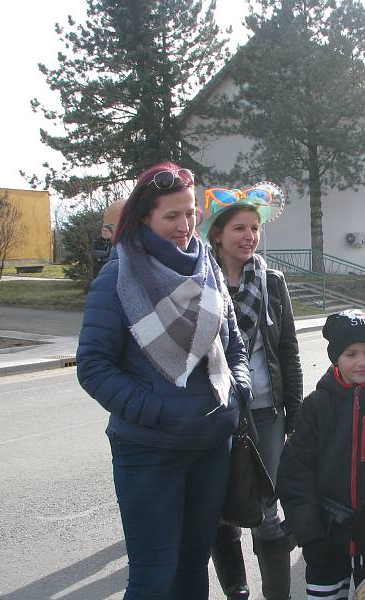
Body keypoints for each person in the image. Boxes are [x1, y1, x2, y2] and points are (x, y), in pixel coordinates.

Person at [76, 162, 250, 600]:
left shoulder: (207, 268)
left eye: (190, 213)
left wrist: (239, 393)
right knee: (154, 576)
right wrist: (157, 411)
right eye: (171, 215)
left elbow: (234, 346)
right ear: (145, 218)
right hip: (148, 451)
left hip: (211, 446)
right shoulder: (117, 278)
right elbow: (93, 366)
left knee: (193, 568)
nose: (184, 224)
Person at [205, 188, 303, 600]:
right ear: (217, 234)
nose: (249, 236)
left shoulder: (271, 281)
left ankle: (276, 595)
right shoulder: (199, 280)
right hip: (215, 411)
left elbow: (288, 351)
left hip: (265, 410)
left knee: (266, 510)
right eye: (239, 228)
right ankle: (237, 592)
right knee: (219, 509)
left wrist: (295, 414)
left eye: (255, 228)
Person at [277, 311, 365, 600]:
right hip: (327, 537)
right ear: (334, 357)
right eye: (351, 353)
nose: (362, 361)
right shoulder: (316, 406)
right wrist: (309, 532)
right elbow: (295, 472)